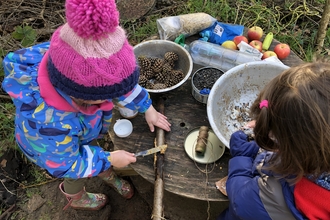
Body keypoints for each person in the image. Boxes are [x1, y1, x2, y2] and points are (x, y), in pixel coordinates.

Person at [1, 0, 171, 211]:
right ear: (83, 97)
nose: (114, 98)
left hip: (81, 127)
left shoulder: (70, 59)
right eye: (105, 98)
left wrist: (148, 108)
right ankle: (78, 197)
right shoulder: (47, 127)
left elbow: (119, 85)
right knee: (75, 175)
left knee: (91, 150)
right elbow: (67, 164)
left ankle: (102, 166)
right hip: (52, 151)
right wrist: (109, 158)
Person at [218, 60, 330, 219]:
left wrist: (242, 157)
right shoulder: (318, 159)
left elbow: (240, 200)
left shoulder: (274, 196)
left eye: (274, 137)